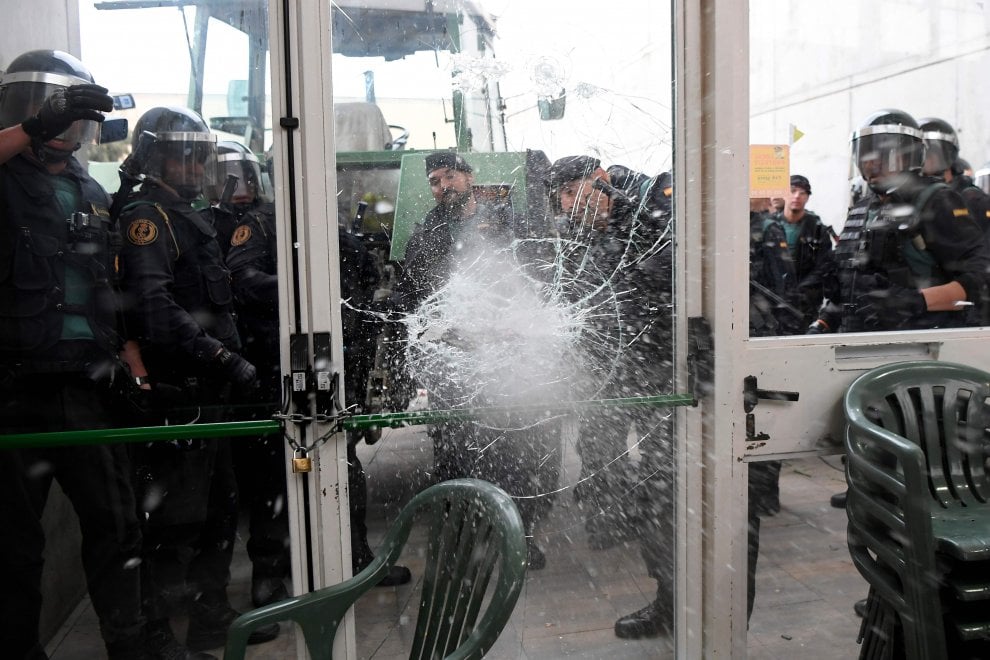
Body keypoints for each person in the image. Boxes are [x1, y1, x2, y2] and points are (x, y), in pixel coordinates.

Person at [0, 48, 149, 660]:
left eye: (70, 111)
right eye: (50, 108)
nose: (64, 123)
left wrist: (133, 362)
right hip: (14, 389)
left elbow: (106, 286)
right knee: (12, 546)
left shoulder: (90, 188)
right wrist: (34, 127)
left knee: (118, 526)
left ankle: (129, 647)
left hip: (87, 385)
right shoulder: (7, 175)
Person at [116, 107, 279, 655]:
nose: (193, 167)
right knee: (176, 521)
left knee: (220, 508)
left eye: (198, 156)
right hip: (180, 388)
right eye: (181, 157)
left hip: (209, 390)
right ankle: (160, 634)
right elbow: (154, 306)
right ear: (154, 158)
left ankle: (211, 615)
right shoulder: (147, 217)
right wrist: (219, 355)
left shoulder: (188, 215)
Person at [222, 142, 411, 591]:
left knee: (341, 461)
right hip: (278, 365)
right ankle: (271, 578)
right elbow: (243, 282)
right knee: (276, 473)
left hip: (329, 361)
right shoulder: (261, 224)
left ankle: (354, 558)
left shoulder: (329, 224)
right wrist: (305, 289)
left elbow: (360, 282)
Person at [390, 150, 560, 570]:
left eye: (449, 176)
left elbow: (537, 273)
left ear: (469, 177)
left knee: (513, 451)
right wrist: (425, 331)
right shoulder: (426, 233)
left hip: (504, 357)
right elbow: (411, 295)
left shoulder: (505, 221)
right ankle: (463, 542)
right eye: (434, 181)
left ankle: (518, 538)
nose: (442, 186)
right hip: (454, 362)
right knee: (454, 455)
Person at [547, 155, 676, 640]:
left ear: (599, 182)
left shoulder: (651, 218)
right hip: (611, 371)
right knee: (601, 451)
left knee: (664, 481)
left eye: (569, 191)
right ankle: (622, 533)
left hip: (664, 372)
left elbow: (663, 280)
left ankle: (676, 594)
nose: (565, 205)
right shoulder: (584, 237)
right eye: (559, 196)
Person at [811, 108, 990, 336]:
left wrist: (917, 302)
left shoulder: (935, 201)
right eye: (866, 155)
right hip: (855, 339)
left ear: (909, 156)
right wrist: (822, 324)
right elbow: (851, 288)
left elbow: (981, 277)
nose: (871, 164)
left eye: (883, 154)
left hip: (919, 342)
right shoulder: (861, 209)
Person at [918, 117, 990, 236]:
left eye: (931, 152)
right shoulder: (917, 197)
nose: (924, 159)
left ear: (948, 154)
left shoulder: (972, 199)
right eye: (920, 153)